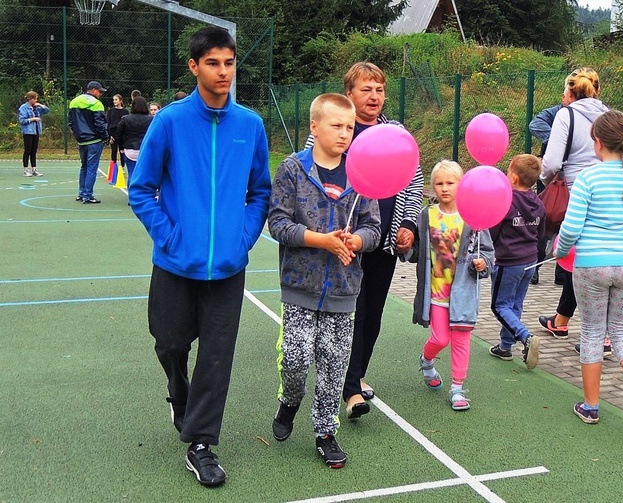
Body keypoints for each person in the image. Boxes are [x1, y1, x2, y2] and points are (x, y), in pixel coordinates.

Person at [129, 27, 271, 487]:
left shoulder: (249, 125)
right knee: (170, 343)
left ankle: (202, 443)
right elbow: (141, 188)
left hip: (228, 268)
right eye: (213, 63)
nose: (223, 71)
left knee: (216, 355)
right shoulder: (169, 121)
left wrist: (242, 238)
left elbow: (260, 192)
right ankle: (177, 389)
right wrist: (169, 237)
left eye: (229, 63)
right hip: (174, 262)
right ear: (194, 67)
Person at [304, 62, 424, 420]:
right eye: (366, 89)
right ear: (349, 94)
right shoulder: (334, 129)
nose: (374, 97)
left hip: (382, 242)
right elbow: (311, 178)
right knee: (345, 313)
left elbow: (413, 182)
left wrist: (408, 226)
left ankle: (353, 377)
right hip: (342, 243)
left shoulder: (397, 133)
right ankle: (349, 385)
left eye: (379, 89)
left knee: (372, 314)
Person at [268, 93, 381, 468]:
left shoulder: (361, 173)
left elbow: (374, 228)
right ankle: (290, 400)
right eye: (337, 125)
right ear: (314, 127)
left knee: (334, 365)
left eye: (350, 127)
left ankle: (324, 431)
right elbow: (278, 224)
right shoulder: (292, 169)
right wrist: (323, 241)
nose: (345, 133)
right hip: (300, 285)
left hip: (344, 290)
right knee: (297, 357)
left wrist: (356, 240)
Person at [556, 110, 623, 434]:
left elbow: (571, 228)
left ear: (598, 143)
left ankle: (590, 406)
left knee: (592, 332)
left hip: (592, 266)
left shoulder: (588, 178)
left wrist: (558, 251)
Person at [414, 160, 494, 411]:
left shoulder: (474, 217)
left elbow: (488, 253)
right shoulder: (427, 215)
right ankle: (426, 360)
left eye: (451, 182)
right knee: (440, 338)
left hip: (463, 293)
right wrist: (405, 247)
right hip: (436, 293)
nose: (445, 188)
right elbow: (416, 250)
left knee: (460, 338)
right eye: (439, 183)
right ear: (432, 186)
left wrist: (483, 264)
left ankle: (457, 388)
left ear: (462, 185)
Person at [537, 67, 608, 345]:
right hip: (607, 191)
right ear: (597, 90)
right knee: (583, 257)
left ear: (570, 92)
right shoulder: (608, 116)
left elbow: (552, 162)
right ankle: (562, 319)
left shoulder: (566, 115)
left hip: (576, 192)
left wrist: (545, 181)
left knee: (583, 260)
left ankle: (601, 336)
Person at [488, 154, 546, 369]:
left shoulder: (506, 200)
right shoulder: (538, 202)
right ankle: (505, 346)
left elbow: (492, 230)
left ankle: (526, 337)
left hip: (508, 261)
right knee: (515, 304)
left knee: (499, 305)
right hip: (530, 261)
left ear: (512, 177)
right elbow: (541, 233)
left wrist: (488, 250)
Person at [528, 103, 565, 286]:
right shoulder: (554, 112)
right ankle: (534, 269)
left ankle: (562, 273)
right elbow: (535, 124)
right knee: (542, 222)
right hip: (549, 179)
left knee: (566, 221)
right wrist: (558, 140)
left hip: (570, 178)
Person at [69, 81, 110, 204]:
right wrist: (105, 137)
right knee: (92, 168)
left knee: (84, 167)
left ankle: (82, 193)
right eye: (99, 91)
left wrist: (77, 134)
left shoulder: (74, 102)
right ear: (92, 90)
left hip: (81, 140)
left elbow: (71, 122)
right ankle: (88, 195)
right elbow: (100, 124)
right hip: (94, 140)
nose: (100, 94)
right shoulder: (96, 104)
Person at [114, 96, 152, 184]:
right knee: (144, 174)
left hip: (130, 149)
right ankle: (143, 194)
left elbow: (118, 134)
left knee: (131, 173)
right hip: (145, 150)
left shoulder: (125, 119)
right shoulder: (151, 119)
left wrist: (121, 147)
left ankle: (132, 195)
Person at [18, 90, 49, 177]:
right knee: (27, 150)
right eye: (35, 99)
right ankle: (25, 170)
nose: (36, 101)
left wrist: (40, 105)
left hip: (36, 131)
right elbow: (22, 120)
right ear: (30, 99)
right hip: (28, 132)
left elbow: (47, 110)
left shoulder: (37, 107)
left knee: (34, 151)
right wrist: (33, 119)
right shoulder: (23, 108)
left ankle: (34, 169)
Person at [106, 94, 129, 168]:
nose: (114, 101)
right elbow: (108, 124)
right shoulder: (110, 111)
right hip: (113, 134)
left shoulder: (125, 112)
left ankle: (122, 168)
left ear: (120, 100)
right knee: (114, 151)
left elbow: (127, 124)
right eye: (113, 100)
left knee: (122, 151)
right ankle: (113, 168)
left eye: (116, 100)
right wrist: (110, 136)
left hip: (122, 135)